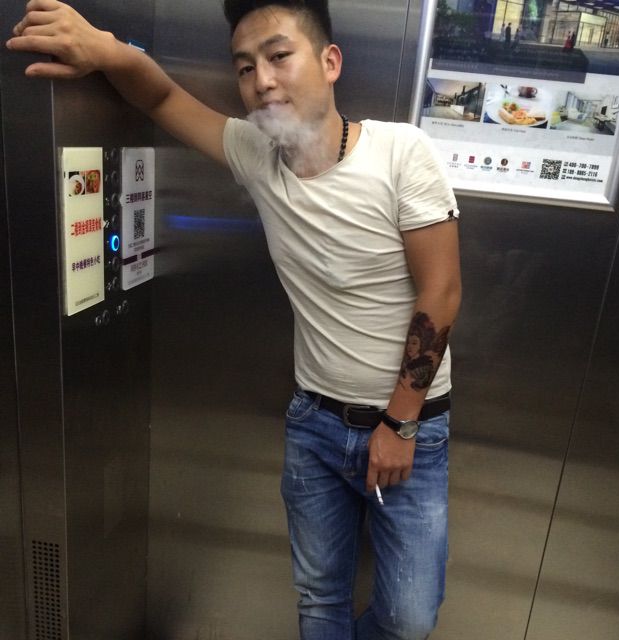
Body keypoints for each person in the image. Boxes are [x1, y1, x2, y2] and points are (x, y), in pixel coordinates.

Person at [7, 1, 461, 638]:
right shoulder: (257, 154)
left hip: (411, 426)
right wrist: (105, 49)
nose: (261, 81)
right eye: (245, 68)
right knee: (319, 600)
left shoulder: (401, 152)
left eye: (279, 56)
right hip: (315, 423)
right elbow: (162, 96)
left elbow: (441, 291)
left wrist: (400, 424)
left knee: (409, 618)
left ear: (330, 62)